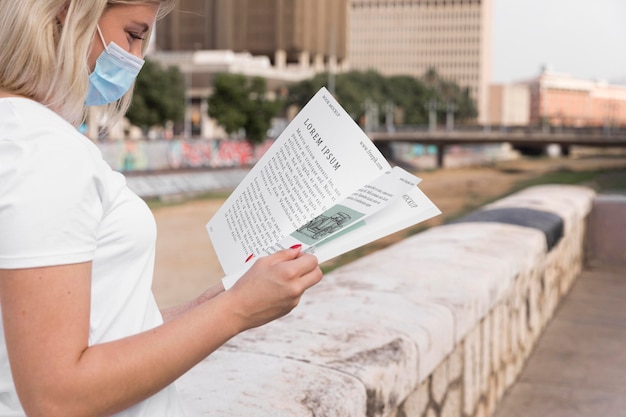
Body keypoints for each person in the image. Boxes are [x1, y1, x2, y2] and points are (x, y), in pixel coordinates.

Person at [0, 1, 323, 416]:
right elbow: (57, 396)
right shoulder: (43, 150)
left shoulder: (20, 133)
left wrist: (205, 306)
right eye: (133, 34)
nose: (135, 60)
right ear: (69, 10)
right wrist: (236, 311)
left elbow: (83, 331)